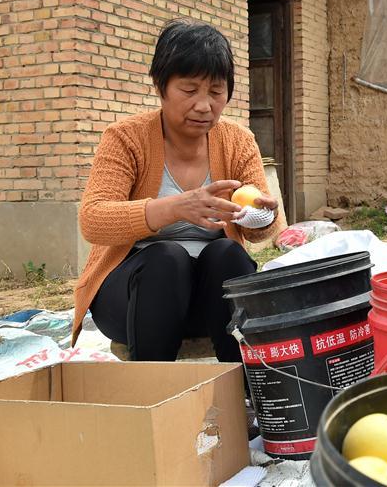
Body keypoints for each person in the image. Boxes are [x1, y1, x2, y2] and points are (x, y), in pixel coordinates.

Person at [70, 19, 287, 361]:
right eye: (189, 90)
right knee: (166, 258)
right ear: (161, 86)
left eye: (216, 92)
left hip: (208, 301)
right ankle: (157, 395)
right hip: (133, 299)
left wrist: (261, 214)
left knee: (229, 255)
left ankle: (244, 391)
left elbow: (260, 233)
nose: (205, 105)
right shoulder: (126, 138)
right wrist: (175, 208)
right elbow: (93, 220)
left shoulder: (238, 141)